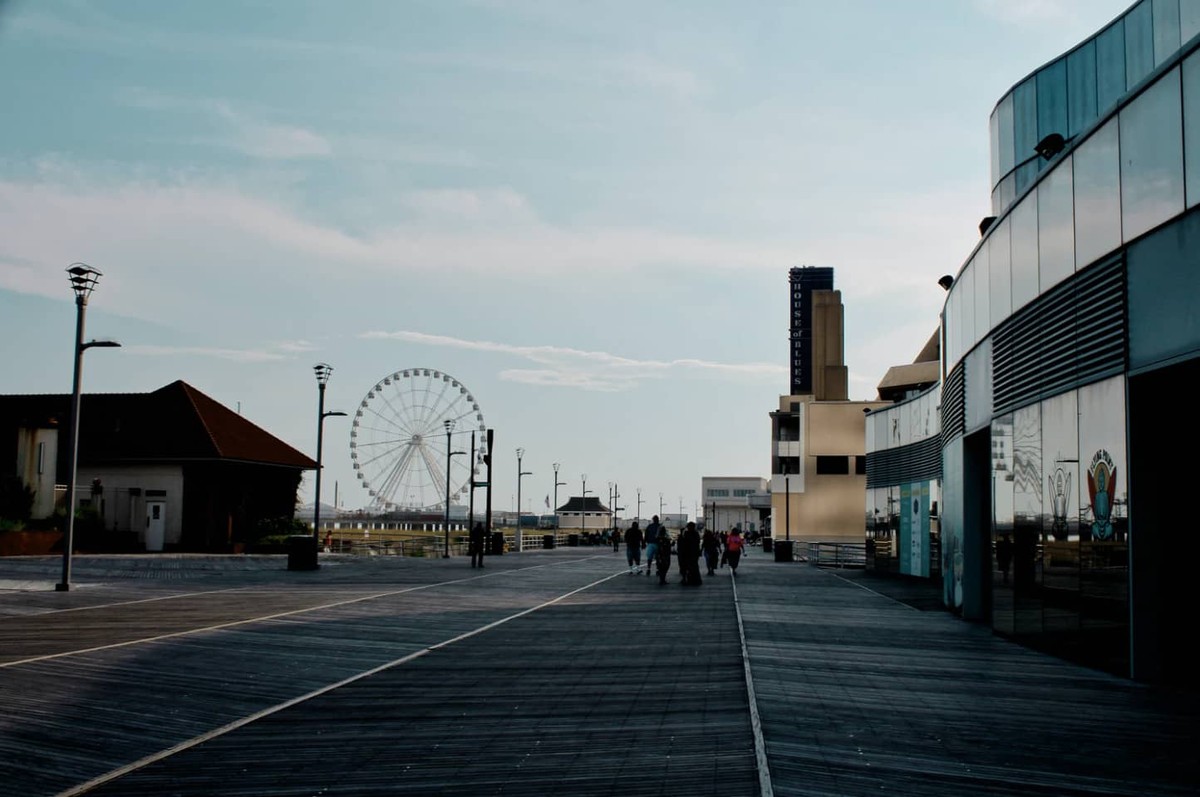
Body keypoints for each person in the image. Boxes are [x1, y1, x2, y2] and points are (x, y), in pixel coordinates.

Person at [678, 521, 702, 585]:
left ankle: (685, 579)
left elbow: (682, 543)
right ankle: (694, 579)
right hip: (693, 553)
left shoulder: (685, 534)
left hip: (687, 553)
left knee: (685, 567)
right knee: (694, 567)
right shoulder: (696, 534)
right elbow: (697, 543)